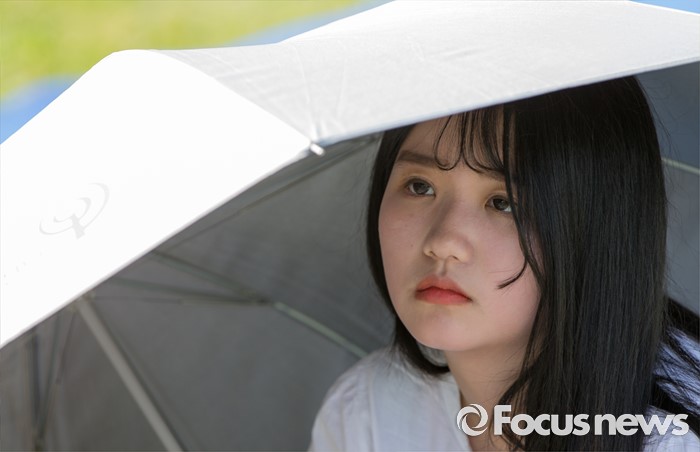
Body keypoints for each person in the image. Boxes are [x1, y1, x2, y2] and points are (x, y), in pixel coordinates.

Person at [308, 76, 700, 451]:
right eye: (420, 186)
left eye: (504, 203)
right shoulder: (369, 412)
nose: (443, 243)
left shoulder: (674, 438)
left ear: (597, 227)